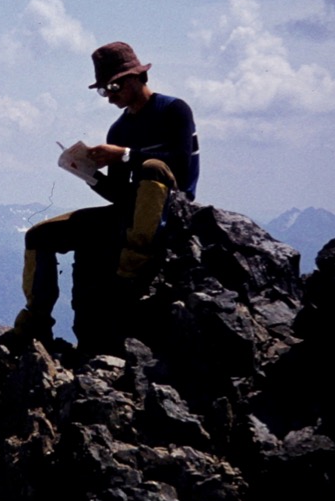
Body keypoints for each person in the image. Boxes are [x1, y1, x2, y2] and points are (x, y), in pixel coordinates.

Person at [14, 41, 199, 352]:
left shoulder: (173, 110)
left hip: (172, 207)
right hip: (130, 212)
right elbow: (119, 195)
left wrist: (125, 155)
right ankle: (34, 326)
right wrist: (89, 174)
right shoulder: (119, 130)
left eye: (113, 87)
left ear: (137, 78)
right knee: (39, 235)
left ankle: (131, 271)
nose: (110, 96)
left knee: (154, 167)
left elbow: (180, 164)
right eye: (103, 90)